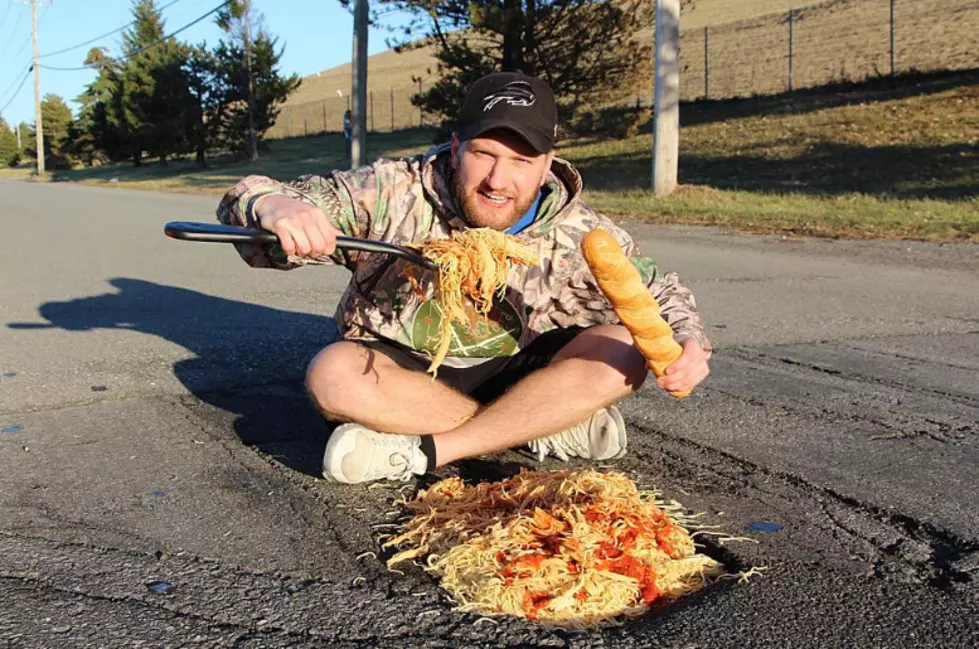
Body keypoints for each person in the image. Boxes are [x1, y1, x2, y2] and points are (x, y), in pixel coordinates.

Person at [216, 72, 712, 485]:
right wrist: (276, 208)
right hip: (401, 370)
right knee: (332, 376)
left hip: (520, 369)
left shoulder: (582, 231)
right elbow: (258, 196)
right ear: (455, 148)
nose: (499, 180)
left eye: (522, 161)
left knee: (625, 349)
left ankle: (423, 451)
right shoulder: (395, 191)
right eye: (484, 153)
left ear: (547, 166)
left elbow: (659, 295)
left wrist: (689, 342)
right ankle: (541, 427)